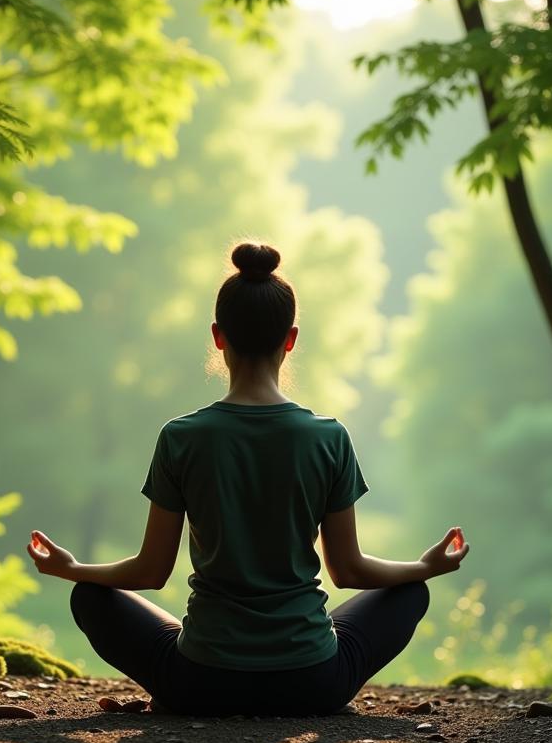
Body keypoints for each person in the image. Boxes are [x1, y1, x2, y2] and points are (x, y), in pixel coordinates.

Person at [27, 241, 470, 716]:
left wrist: (72, 569)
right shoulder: (329, 437)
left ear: (218, 336)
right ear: (291, 338)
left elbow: (150, 572)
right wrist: (426, 568)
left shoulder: (182, 437)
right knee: (409, 592)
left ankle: (189, 679)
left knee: (91, 598)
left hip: (199, 683)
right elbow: (349, 571)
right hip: (314, 683)